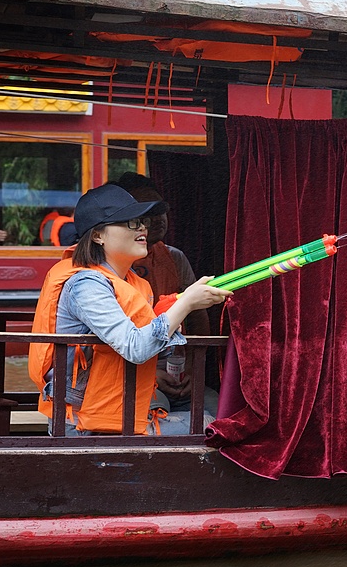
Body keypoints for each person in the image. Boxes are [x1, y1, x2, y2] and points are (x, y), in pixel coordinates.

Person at [27, 184, 229, 435]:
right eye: (130, 222)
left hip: (120, 411)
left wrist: (179, 303)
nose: (143, 227)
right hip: (83, 424)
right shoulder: (86, 284)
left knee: (218, 415)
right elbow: (136, 348)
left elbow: (156, 351)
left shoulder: (130, 282)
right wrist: (186, 304)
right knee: (214, 427)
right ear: (98, 235)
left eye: (142, 221)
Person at [117, 172, 216, 427]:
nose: (158, 218)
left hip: (176, 367)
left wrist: (193, 369)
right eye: (147, 211)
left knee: (219, 411)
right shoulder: (111, 265)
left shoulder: (174, 258)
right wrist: (152, 376)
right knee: (153, 416)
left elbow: (197, 316)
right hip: (130, 373)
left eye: (161, 209)